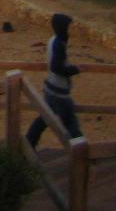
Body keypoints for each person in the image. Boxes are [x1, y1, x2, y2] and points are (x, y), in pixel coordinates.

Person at [27, 12, 83, 147]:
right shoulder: (58, 44)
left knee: (44, 119)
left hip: (51, 87)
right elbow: (56, 67)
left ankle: (28, 144)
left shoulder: (53, 40)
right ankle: (82, 155)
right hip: (59, 91)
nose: (71, 29)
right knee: (71, 124)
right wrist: (74, 70)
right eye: (69, 26)